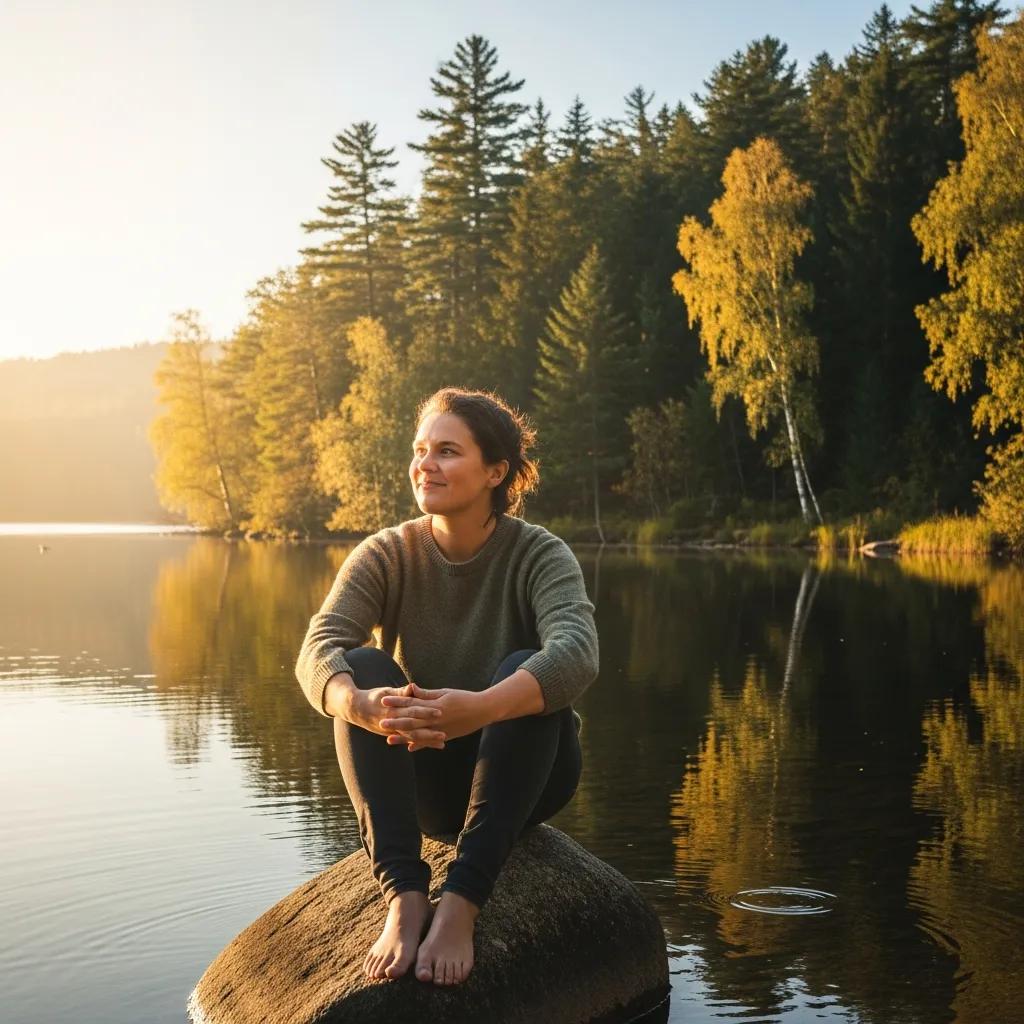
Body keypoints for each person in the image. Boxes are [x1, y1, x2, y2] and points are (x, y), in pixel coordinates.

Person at [294, 386, 599, 988]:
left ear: (495, 471)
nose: (425, 464)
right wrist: (355, 702)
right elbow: (316, 649)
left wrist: (483, 709)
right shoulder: (387, 552)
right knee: (359, 665)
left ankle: (461, 901)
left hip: (530, 775)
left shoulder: (540, 554)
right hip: (424, 779)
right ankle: (405, 897)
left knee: (527, 664)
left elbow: (578, 653)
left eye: (448, 451)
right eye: (420, 449)